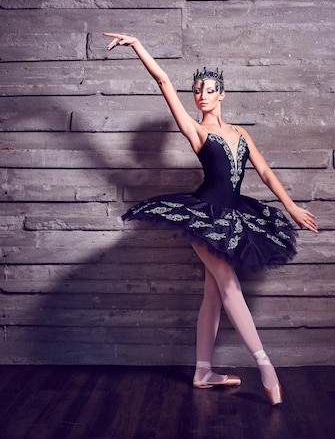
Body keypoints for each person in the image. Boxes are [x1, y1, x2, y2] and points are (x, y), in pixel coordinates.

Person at [104, 32, 318, 405]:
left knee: (213, 295)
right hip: (205, 215)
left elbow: (266, 173)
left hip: (235, 216)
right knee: (228, 283)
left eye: (209, 89)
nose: (201, 94)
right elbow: (163, 81)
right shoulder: (197, 130)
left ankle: (203, 370)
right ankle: (266, 365)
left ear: (222, 94)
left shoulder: (240, 134)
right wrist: (139, 44)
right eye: (197, 89)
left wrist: (292, 207)